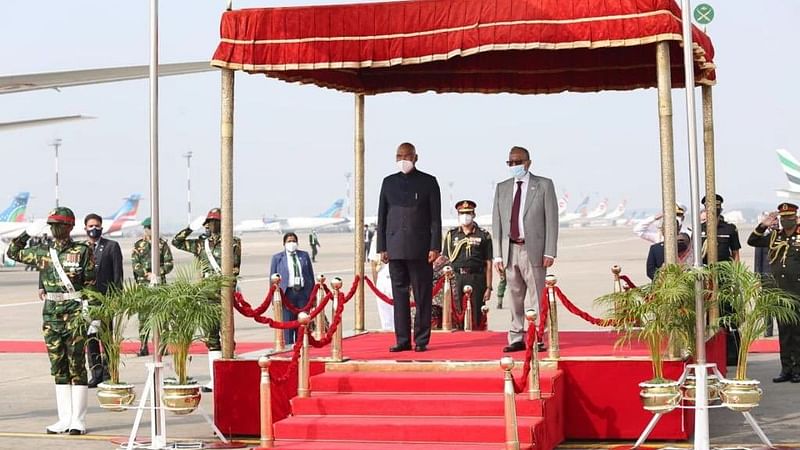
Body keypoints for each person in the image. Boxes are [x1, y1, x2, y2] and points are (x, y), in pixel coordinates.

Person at [6, 207, 95, 435]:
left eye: (61, 225)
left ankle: (78, 419)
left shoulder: (82, 251)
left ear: (69, 227)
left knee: (76, 366)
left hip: (75, 313)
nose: (57, 229)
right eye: (53, 224)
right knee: (58, 367)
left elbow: (91, 286)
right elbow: (13, 252)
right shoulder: (42, 252)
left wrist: (92, 316)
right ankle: (64, 418)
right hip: (51, 315)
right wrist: (27, 232)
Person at [492, 146, 558, 353]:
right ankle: (516, 335)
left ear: (528, 163)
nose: (514, 166)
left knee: (537, 295)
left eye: (517, 162)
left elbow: (552, 220)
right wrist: (497, 254)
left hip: (534, 249)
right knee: (514, 295)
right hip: (510, 248)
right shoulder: (502, 188)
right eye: (510, 163)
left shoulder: (543, 185)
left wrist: (550, 251)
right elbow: (497, 224)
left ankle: (538, 335)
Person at [377, 142, 441, 353]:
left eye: (407, 155)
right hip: (395, 248)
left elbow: (435, 219)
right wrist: (382, 247)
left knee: (422, 296)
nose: (403, 159)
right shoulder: (388, 182)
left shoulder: (428, 182)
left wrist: (435, 246)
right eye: (399, 155)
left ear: (415, 157)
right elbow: (382, 216)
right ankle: (402, 339)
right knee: (400, 296)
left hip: (421, 249)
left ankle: (421, 339)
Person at [172, 207, 242, 392]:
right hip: (206, 298)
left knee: (227, 337)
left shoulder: (233, 243)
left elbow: (235, 270)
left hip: (223, 297)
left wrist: (229, 291)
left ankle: (229, 377)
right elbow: (176, 242)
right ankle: (214, 380)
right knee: (211, 340)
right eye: (210, 222)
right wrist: (190, 228)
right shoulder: (201, 245)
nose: (213, 225)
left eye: (216, 222)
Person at [748, 203, 800, 383]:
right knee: (784, 332)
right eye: (783, 218)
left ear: (795, 218)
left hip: (797, 291)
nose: (787, 221)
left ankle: (798, 369)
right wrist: (763, 225)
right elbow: (752, 241)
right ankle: (786, 369)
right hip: (780, 291)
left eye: (790, 218)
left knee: (797, 332)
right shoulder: (775, 236)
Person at [83, 213, 123, 389]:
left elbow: (117, 275)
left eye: (97, 225)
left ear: (101, 227)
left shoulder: (111, 247)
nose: (94, 229)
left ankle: (109, 372)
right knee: (90, 339)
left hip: (105, 301)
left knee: (106, 339)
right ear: (85, 228)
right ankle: (96, 373)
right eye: (90, 226)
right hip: (86, 303)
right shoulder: (81, 248)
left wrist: (116, 299)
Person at [700, 194, 742, 366]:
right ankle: (709, 352)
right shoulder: (700, 228)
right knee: (707, 315)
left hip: (724, 277)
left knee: (726, 314)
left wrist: (736, 278)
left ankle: (730, 353)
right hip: (705, 277)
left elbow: (736, 254)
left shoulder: (729, 229)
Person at [443, 200, 493, 329]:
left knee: (476, 313)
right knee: (456, 311)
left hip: (476, 278)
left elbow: (488, 263)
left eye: (468, 213)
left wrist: (488, 287)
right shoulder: (451, 235)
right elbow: (445, 259)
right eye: (462, 213)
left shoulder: (483, 235)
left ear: (473, 214)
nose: (465, 216)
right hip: (456, 277)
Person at [131, 217, 174, 356]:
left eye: (152, 227)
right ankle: (143, 347)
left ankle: (163, 346)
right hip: (144, 286)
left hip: (160, 285)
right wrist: (146, 274)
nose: (150, 230)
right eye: (148, 228)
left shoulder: (162, 245)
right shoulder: (138, 245)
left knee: (162, 318)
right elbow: (135, 263)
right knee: (143, 318)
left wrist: (157, 273)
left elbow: (169, 263)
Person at [269, 232, 315, 345]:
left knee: (302, 324)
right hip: (287, 294)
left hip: (303, 294)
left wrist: (313, 296)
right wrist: (273, 299)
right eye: (289, 241)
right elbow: (272, 279)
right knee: (288, 324)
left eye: (294, 241)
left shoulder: (304, 255)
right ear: (284, 243)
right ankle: (289, 348)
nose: (292, 243)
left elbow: (310, 275)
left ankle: (302, 346)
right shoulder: (277, 258)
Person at [754, 211, 775, 337]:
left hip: (780, 276)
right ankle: (768, 329)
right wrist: (757, 276)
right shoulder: (763, 239)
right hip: (766, 276)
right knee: (767, 305)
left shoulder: (781, 238)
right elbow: (758, 259)